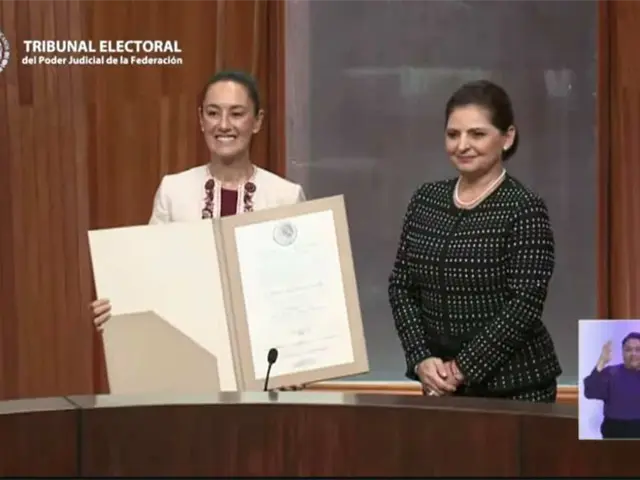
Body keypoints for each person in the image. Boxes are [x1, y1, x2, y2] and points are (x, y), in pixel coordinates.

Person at [388, 79, 562, 403]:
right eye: (453, 134)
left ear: (507, 137)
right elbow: (401, 287)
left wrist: (461, 369)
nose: (462, 145)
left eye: (477, 134)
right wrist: (420, 358)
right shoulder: (426, 200)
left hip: (516, 389)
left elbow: (525, 303)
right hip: (439, 385)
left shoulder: (524, 207)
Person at [91, 70, 306, 327]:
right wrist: (117, 309)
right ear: (201, 119)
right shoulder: (174, 191)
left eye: (236, 114)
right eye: (213, 113)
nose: (223, 125)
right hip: (188, 339)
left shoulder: (286, 196)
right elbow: (150, 275)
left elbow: (301, 286)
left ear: (257, 121)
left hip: (263, 339)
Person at [583, 333, 640, 439]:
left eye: (638, 350)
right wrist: (602, 361)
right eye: (628, 350)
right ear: (622, 352)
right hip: (614, 433)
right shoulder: (611, 372)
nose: (633, 354)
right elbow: (590, 391)